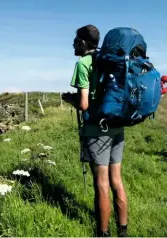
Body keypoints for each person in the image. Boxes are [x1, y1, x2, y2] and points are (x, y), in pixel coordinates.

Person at [66, 24, 128, 237]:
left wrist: (69, 99)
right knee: (116, 180)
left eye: (75, 41)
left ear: (83, 42)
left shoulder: (83, 63)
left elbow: (83, 104)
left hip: (97, 130)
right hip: (117, 125)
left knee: (101, 183)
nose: (73, 44)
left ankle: (102, 233)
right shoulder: (111, 60)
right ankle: (123, 230)